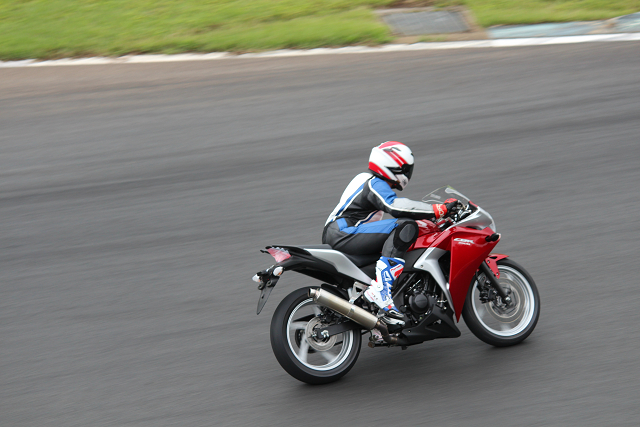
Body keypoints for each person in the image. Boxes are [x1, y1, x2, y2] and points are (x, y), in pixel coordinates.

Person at [322, 141, 459, 324]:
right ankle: (381, 291)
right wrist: (437, 209)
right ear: (393, 165)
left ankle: (380, 310)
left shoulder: (370, 181)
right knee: (405, 226)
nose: (407, 173)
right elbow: (394, 206)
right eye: (406, 169)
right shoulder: (373, 182)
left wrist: (429, 217)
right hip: (343, 232)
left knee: (402, 232)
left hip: (344, 233)